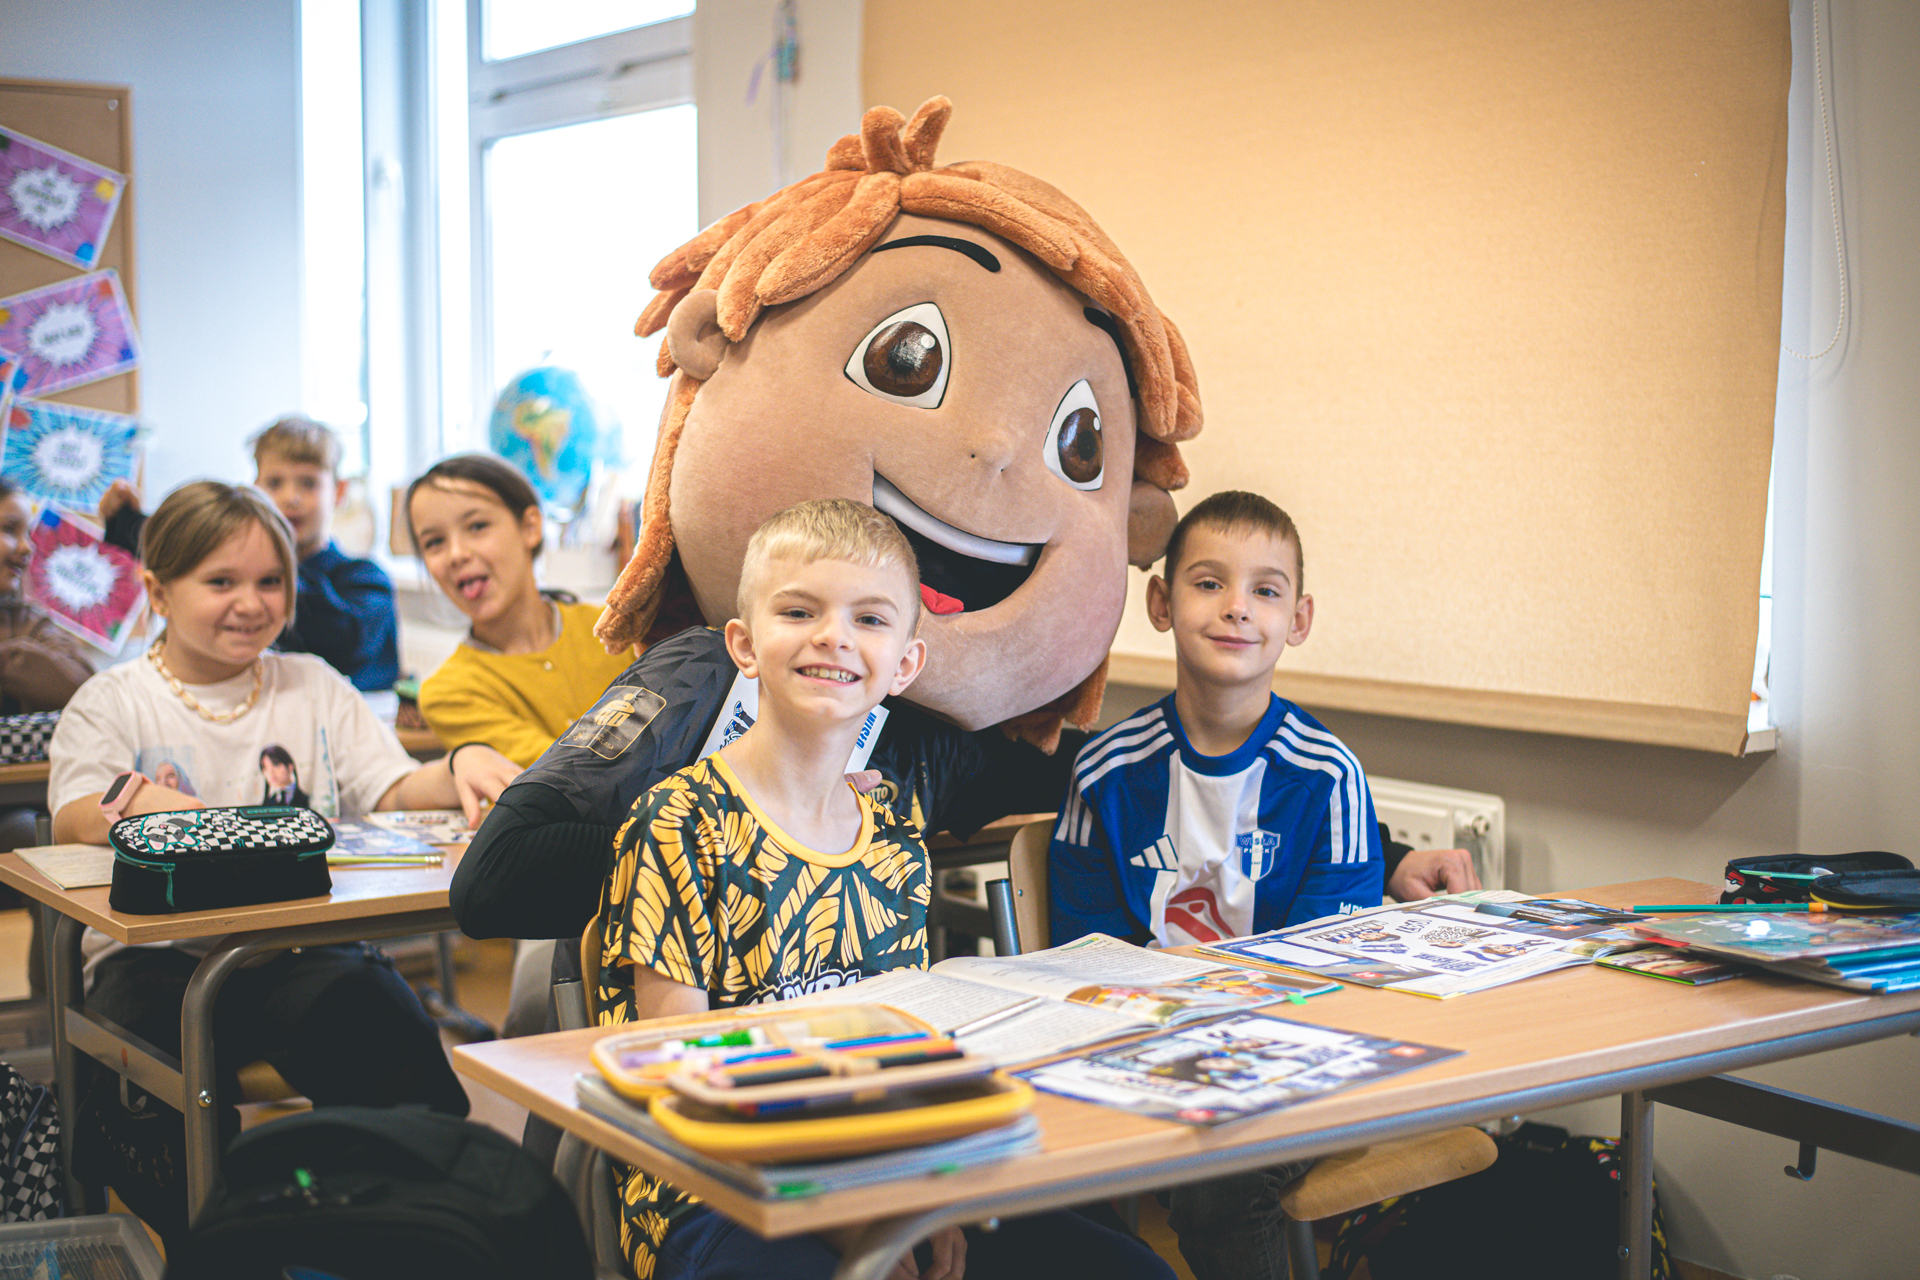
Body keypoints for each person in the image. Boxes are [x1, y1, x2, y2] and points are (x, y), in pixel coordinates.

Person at [594, 498, 1172, 1280]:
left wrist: (926, 1194)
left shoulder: (894, 829)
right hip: (717, 1189)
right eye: (799, 611)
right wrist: (849, 1219)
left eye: (869, 619)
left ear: (905, 664)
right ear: (745, 645)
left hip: (886, 1167)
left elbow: (897, 1052)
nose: (834, 636)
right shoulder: (679, 821)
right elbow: (679, 1073)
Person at [47, 480, 521, 1248]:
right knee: (148, 1097)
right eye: (220, 582)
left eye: (271, 581)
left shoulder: (313, 685)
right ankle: (222, 1245)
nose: (250, 603)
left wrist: (458, 763)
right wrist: (147, 805)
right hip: (154, 962)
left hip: (298, 951)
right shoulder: (114, 700)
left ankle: (362, 1231)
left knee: (393, 1041)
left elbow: (392, 787)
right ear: (158, 592)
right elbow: (74, 812)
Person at [1046, 490, 1384, 1280]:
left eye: (1265, 590)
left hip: (1286, 1055)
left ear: (1297, 619)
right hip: (1140, 1046)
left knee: (1220, 1175)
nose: (1237, 607)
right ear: (1161, 603)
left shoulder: (1330, 775)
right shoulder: (1104, 771)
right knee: (1028, 1158)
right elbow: (1081, 955)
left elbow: (1328, 972)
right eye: (1209, 583)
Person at [98, 414, 401, 691]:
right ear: (255, 489)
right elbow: (187, 549)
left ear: (338, 491)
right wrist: (126, 523)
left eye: (308, 483)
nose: (291, 497)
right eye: (275, 483)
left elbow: (342, 640)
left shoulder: (366, 580)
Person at [407, 454, 632, 769]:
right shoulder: (448, 693)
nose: (456, 554)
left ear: (530, 527)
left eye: (477, 526)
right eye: (434, 543)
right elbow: (569, 773)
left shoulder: (617, 628)